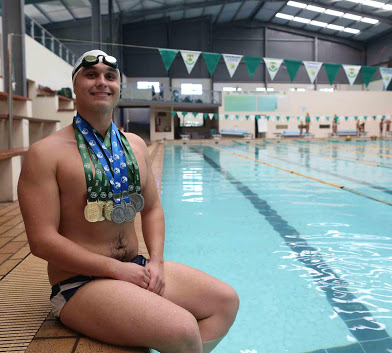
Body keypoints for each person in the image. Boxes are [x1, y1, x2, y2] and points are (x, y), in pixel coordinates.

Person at [17, 50, 239, 353]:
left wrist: (157, 261)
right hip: (81, 283)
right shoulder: (46, 154)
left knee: (225, 302)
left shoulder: (134, 145)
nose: (102, 82)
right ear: (75, 86)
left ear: (119, 86)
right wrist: (116, 271)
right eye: (91, 74)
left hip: (136, 266)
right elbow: (41, 241)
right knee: (183, 328)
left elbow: (152, 209)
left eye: (110, 76)